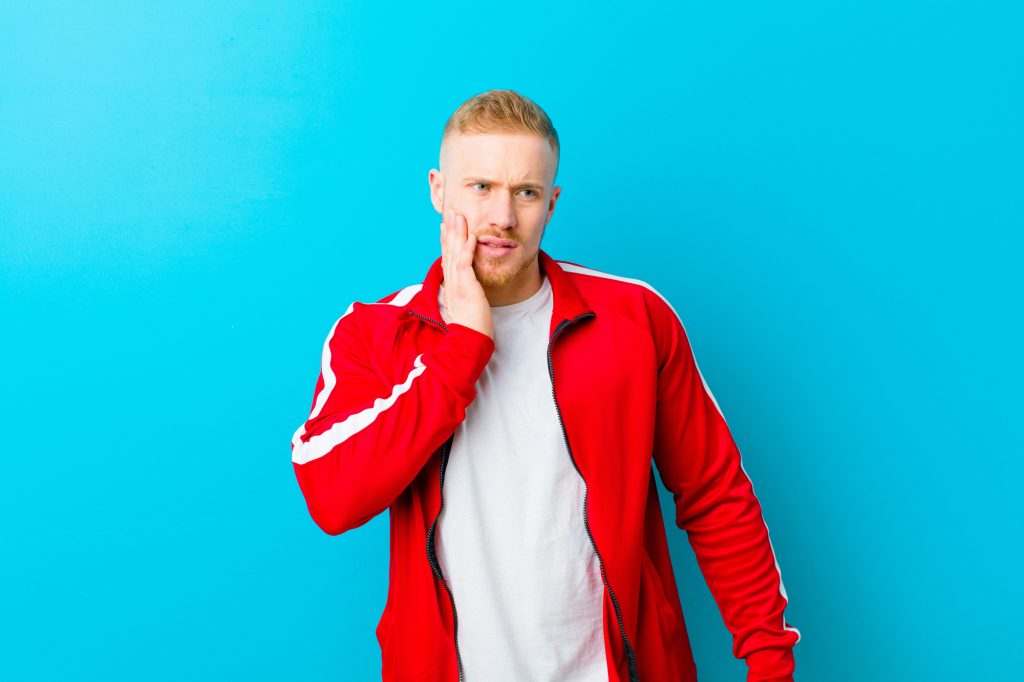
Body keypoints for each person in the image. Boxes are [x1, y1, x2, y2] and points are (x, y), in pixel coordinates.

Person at [290, 89, 800, 682]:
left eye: (525, 192)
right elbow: (333, 497)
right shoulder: (377, 334)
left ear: (551, 203)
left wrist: (770, 662)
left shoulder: (635, 320)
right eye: (480, 187)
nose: (502, 217)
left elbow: (715, 496)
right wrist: (464, 351)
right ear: (438, 190)